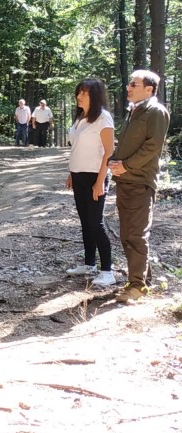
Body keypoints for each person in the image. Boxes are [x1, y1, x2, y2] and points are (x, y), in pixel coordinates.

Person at [108, 70, 170, 303]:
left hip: (140, 182)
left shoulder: (156, 111)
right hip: (126, 181)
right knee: (128, 234)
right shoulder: (134, 111)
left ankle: (137, 287)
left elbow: (153, 147)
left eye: (134, 84)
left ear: (149, 89)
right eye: (129, 83)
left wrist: (126, 165)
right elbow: (126, 143)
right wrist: (114, 161)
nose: (128, 87)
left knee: (135, 234)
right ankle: (144, 279)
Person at [64, 79, 115, 286]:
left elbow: (109, 153)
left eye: (84, 93)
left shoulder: (103, 118)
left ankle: (107, 270)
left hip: (95, 176)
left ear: (95, 95)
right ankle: (89, 263)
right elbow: (76, 148)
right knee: (85, 221)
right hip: (78, 176)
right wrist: (71, 173)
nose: (79, 96)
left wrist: (100, 181)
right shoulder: (80, 118)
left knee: (96, 222)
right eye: (79, 93)